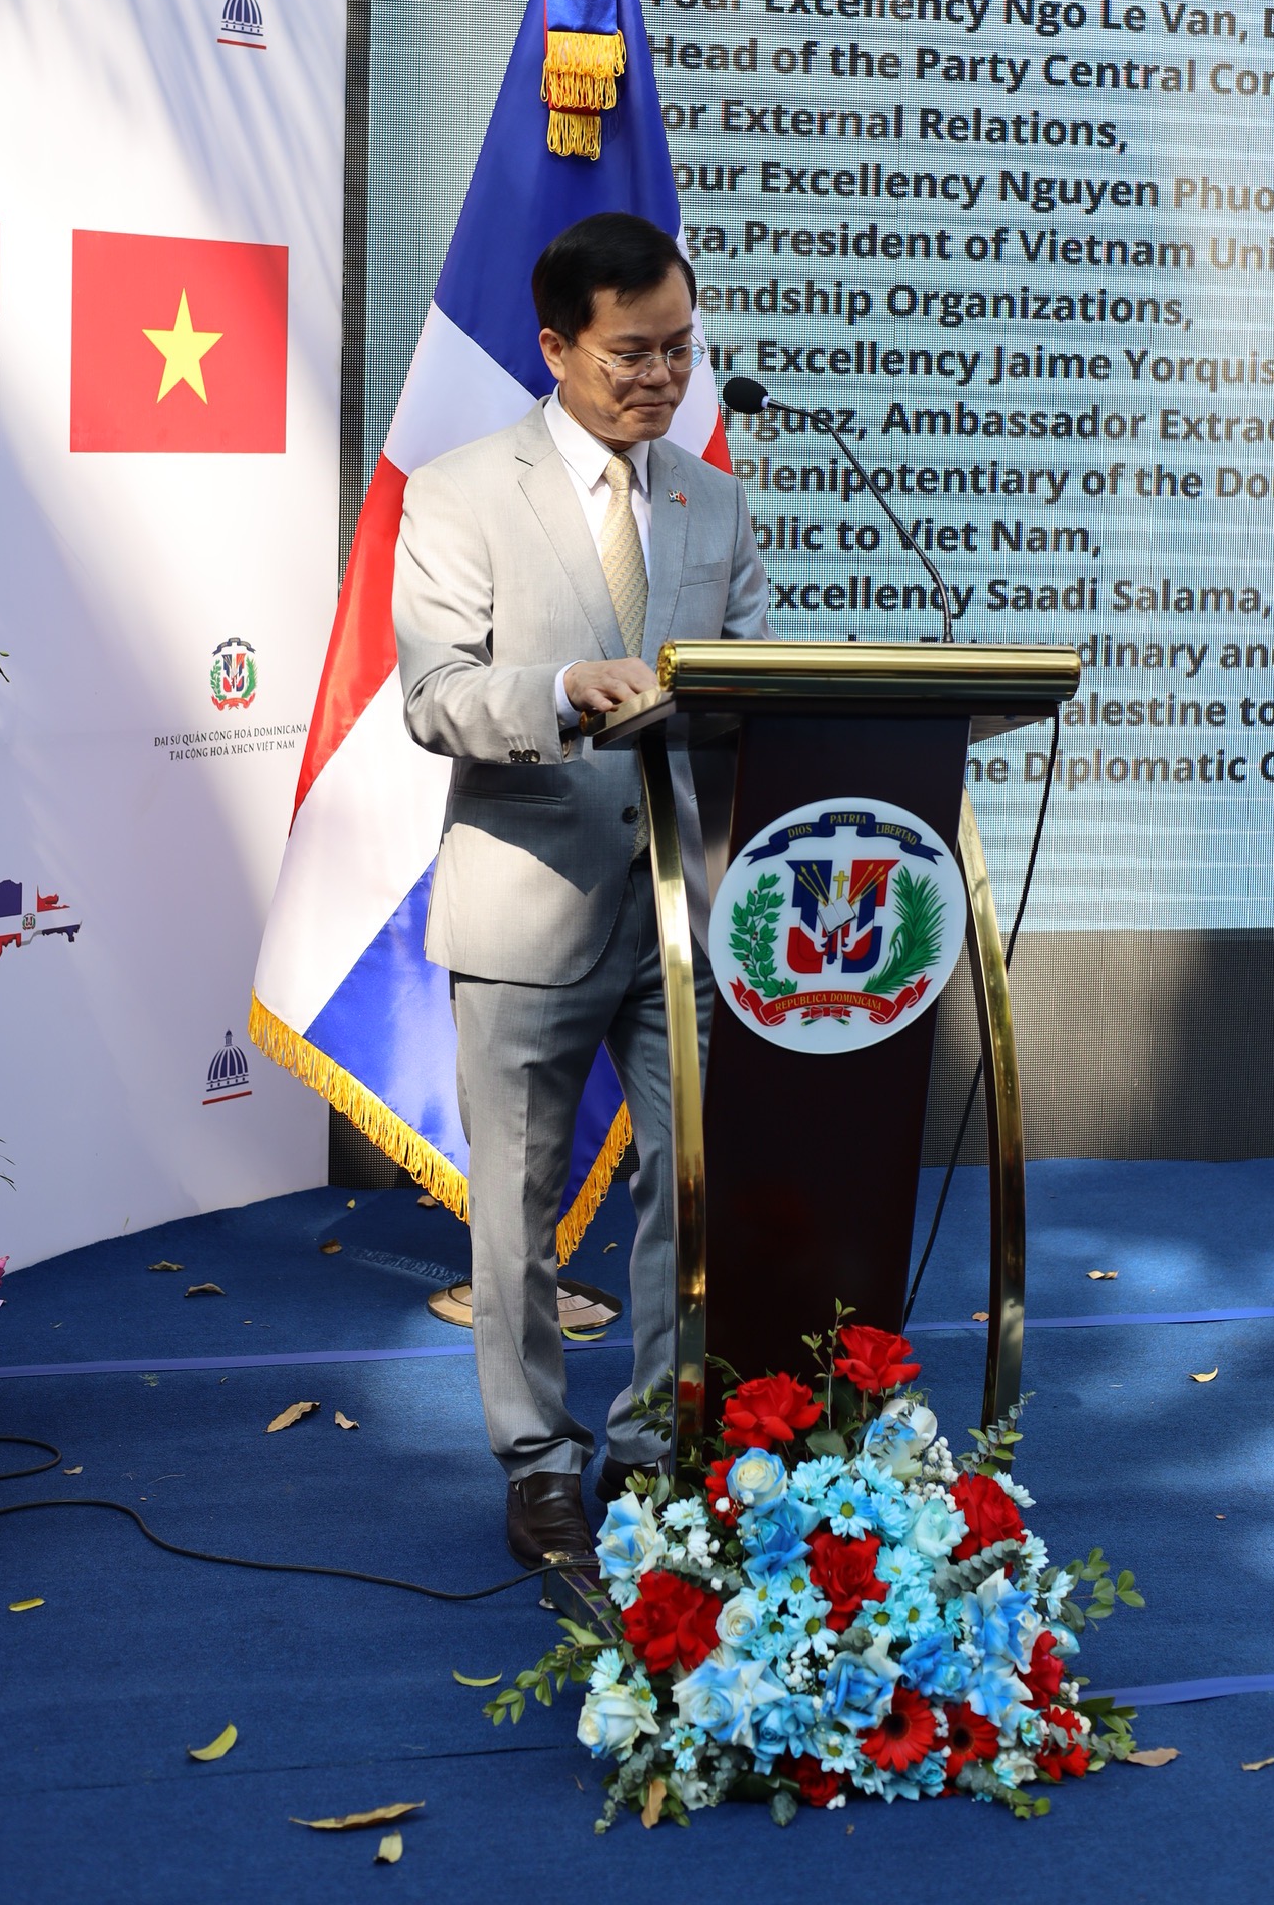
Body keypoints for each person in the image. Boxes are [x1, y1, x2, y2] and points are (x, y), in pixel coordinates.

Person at [393, 211, 769, 1567]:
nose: (662, 377)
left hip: (684, 913)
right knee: (518, 1207)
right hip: (526, 904)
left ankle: (659, 1442)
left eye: (680, 349)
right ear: (557, 348)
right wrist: (561, 690)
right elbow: (435, 698)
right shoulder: (458, 493)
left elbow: (754, 690)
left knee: (695, 1192)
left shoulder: (713, 501)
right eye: (632, 354)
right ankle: (539, 1461)